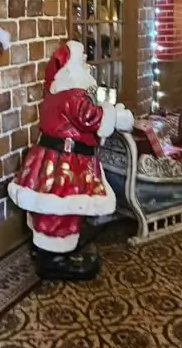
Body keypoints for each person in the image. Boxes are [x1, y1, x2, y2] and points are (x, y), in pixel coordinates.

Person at [8, 40, 134, 280]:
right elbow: (91, 119)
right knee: (62, 208)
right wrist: (116, 115)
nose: (87, 65)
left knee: (49, 206)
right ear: (72, 68)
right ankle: (56, 258)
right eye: (83, 60)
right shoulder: (74, 95)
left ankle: (45, 249)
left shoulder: (54, 94)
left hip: (49, 159)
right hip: (66, 161)